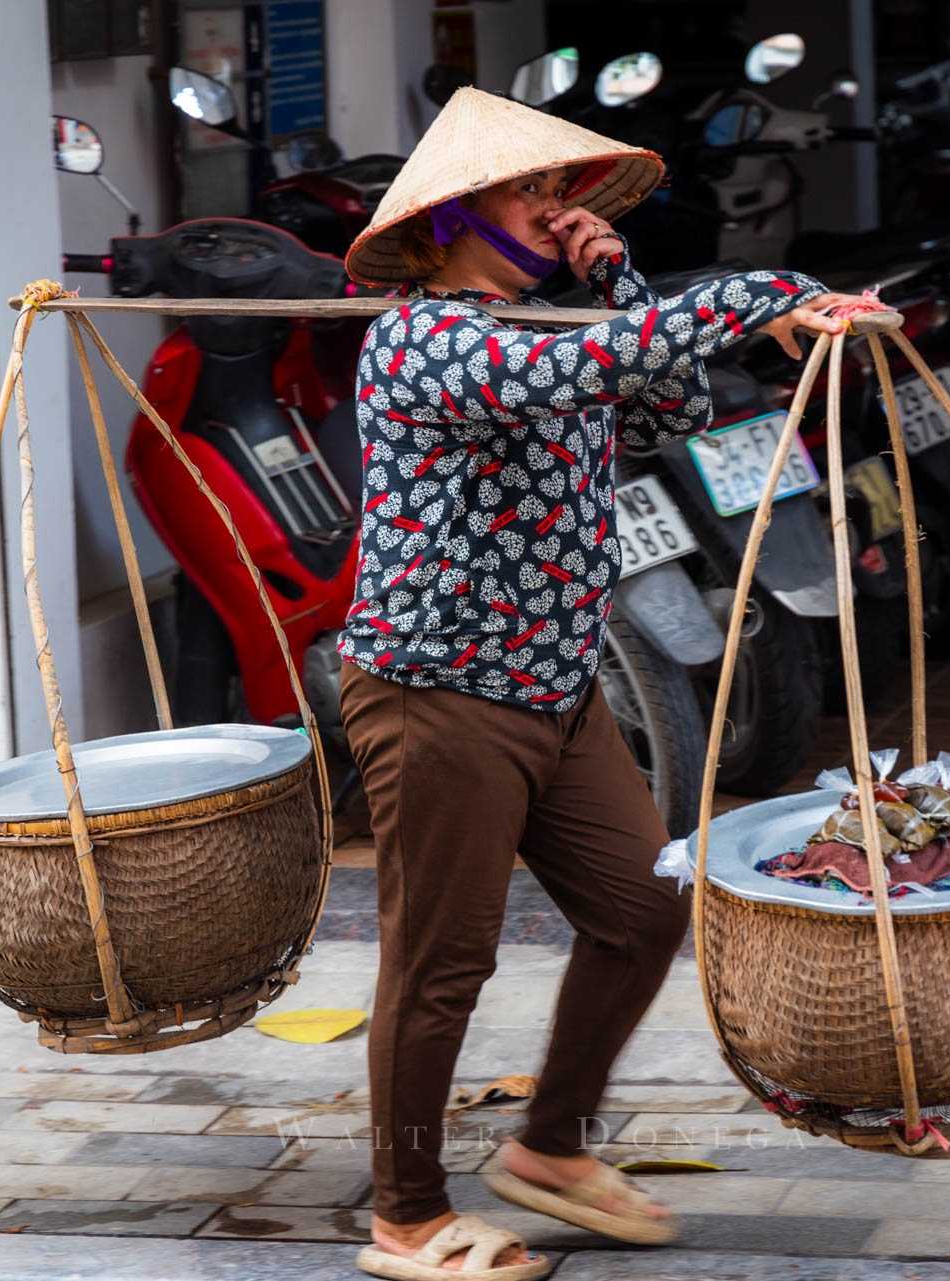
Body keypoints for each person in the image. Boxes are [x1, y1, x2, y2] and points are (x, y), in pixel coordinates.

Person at [335, 87, 870, 1281]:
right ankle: (407, 1214)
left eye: (561, 193)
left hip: (552, 686)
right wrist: (771, 293)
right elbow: (629, 359)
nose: (559, 211)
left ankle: (550, 1149)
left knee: (643, 909)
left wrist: (623, 273)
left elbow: (668, 398)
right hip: (441, 694)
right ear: (457, 219)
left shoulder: (540, 333)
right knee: (438, 967)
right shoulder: (428, 340)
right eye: (533, 193)